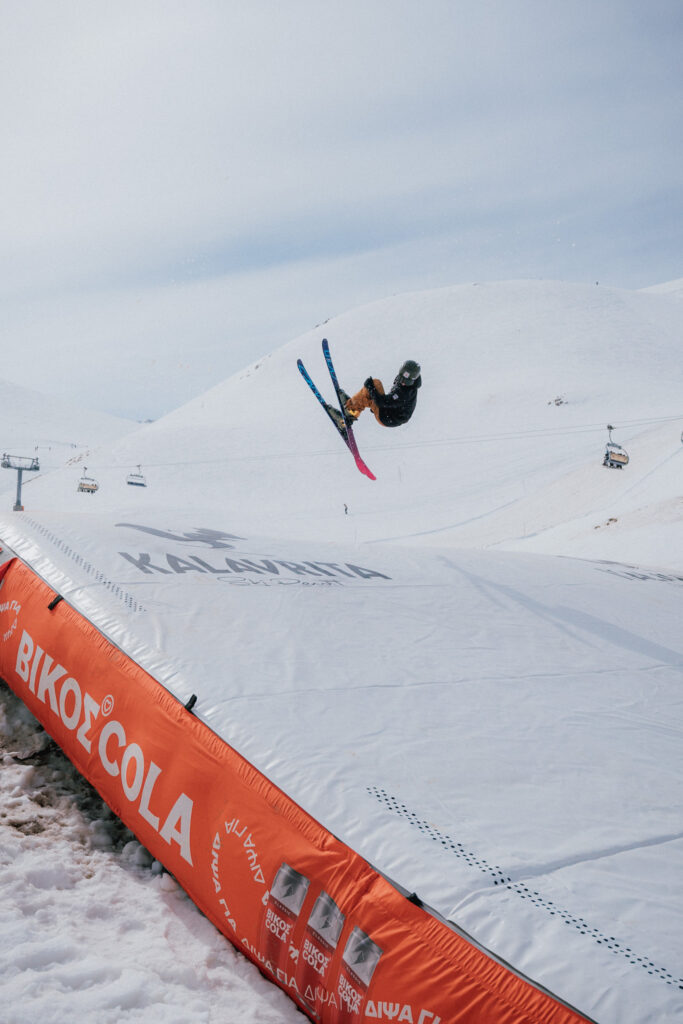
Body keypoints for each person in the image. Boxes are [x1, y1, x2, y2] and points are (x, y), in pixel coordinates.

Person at [328, 360, 422, 430]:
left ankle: (349, 414)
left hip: (388, 418)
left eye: (406, 382)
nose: (403, 383)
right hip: (389, 410)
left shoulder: (405, 394)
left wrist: (371, 388)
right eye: (401, 379)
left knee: (374, 385)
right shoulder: (409, 378)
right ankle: (352, 405)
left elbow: (382, 402)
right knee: (371, 393)